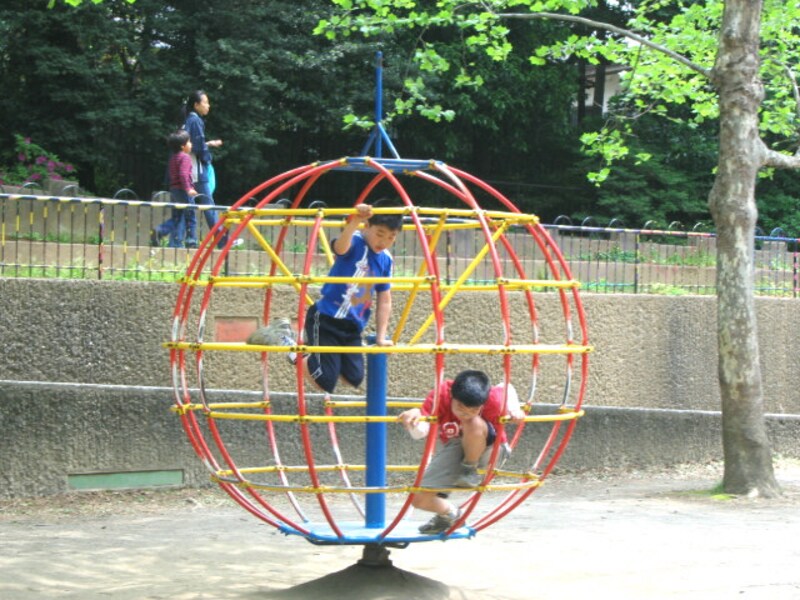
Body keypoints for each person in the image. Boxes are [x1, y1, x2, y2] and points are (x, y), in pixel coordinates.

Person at [246, 202, 403, 394]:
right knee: (324, 381)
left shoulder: (385, 259)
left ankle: (320, 353)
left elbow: (385, 299)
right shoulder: (355, 241)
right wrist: (355, 221)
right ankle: (285, 341)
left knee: (353, 378)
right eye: (380, 234)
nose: (384, 242)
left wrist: (380, 337)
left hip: (352, 326)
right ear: (367, 226)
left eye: (391, 237)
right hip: (327, 319)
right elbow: (340, 248)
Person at [397, 370, 525, 535]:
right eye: (460, 408)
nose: (465, 413)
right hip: (456, 448)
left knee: (472, 423)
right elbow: (421, 432)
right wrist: (414, 418)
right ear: (452, 395)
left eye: (473, 409)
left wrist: (515, 409)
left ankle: (469, 470)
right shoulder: (441, 394)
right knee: (419, 499)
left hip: (490, 449)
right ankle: (451, 516)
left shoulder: (493, 398)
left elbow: (506, 387)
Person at [182, 90, 241, 249]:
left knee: (191, 205)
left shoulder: (189, 120)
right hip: (197, 169)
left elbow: (192, 144)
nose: (208, 105)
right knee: (208, 204)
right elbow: (198, 145)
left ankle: (192, 239)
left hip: (189, 168)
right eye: (205, 102)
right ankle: (221, 240)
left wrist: (208, 145)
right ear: (196, 105)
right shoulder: (195, 121)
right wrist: (207, 159)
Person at [150, 130, 198, 248]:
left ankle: (162, 232)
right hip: (183, 191)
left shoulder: (173, 158)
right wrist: (188, 189)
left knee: (177, 217)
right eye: (189, 142)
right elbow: (183, 174)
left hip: (175, 190)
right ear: (183, 146)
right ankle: (191, 241)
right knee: (190, 216)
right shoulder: (185, 158)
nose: (191, 144)